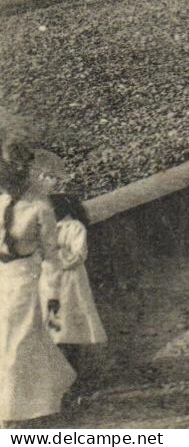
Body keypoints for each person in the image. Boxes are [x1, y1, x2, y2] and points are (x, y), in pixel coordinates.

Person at [0, 139, 77, 424]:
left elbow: (51, 255)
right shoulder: (1, 201)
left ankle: (9, 413)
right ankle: (56, 383)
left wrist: (53, 295)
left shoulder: (39, 208)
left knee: (14, 341)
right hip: (1, 277)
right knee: (17, 340)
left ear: (22, 174)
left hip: (25, 279)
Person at [29, 154, 105, 384]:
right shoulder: (49, 229)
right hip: (51, 280)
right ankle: (62, 371)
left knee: (69, 321)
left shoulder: (74, 228)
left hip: (69, 281)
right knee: (54, 322)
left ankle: (73, 373)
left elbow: (78, 255)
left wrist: (52, 257)